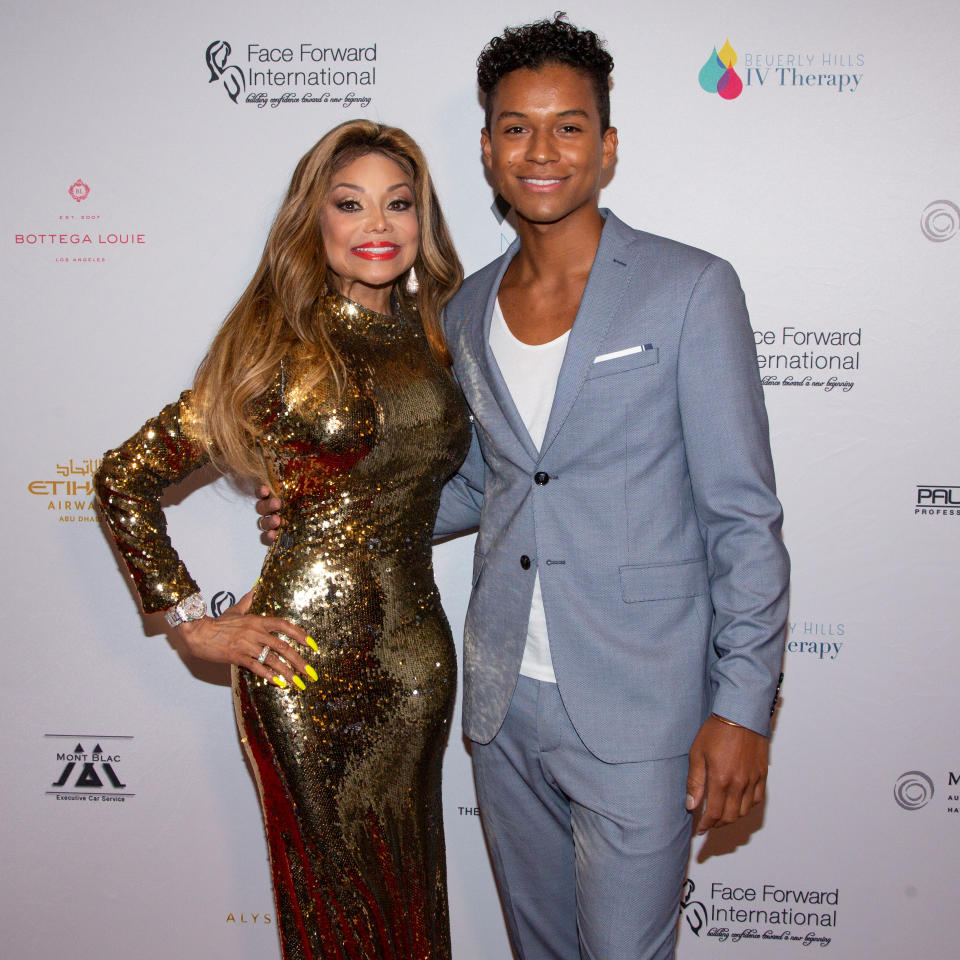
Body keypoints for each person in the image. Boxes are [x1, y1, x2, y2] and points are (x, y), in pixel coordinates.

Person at [258, 15, 790, 960]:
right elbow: (481, 486)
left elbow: (743, 518)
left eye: (568, 126)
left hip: (642, 702)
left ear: (607, 146)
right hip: (503, 706)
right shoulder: (461, 309)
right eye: (516, 128)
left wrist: (743, 707)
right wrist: (335, 512)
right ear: (488, 149)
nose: (541, 151)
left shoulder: (690, 288)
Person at [95, 119, 470, 960]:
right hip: (302, 665)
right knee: (333, 914)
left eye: (399, 204)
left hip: (416, 662)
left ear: (423, 221)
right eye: (351, 204)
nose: (379, 225)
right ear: (316, 222)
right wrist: (191, 620)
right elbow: (125, 478)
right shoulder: (279, 347)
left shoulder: (437, 337)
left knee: (412, 905)